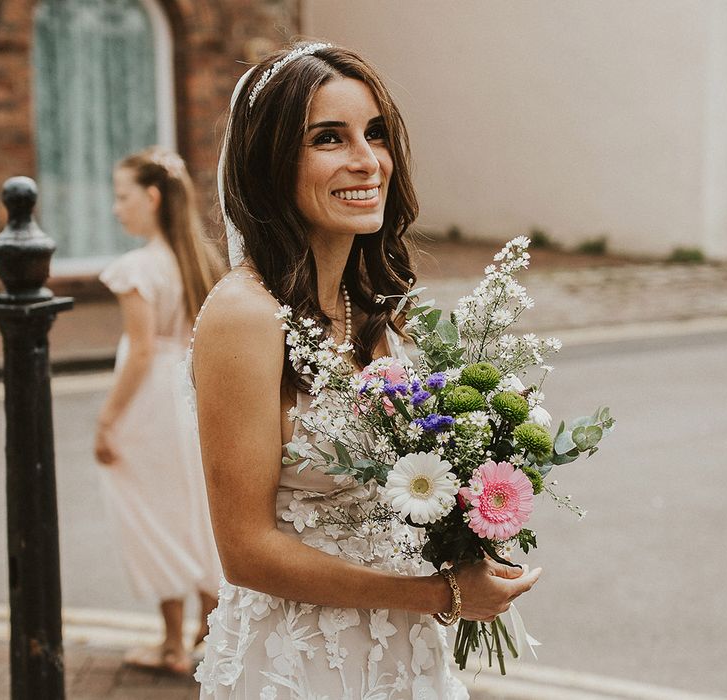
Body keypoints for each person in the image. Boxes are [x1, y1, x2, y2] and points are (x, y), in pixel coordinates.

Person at [191, 44, 542, 697]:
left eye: (374, 134)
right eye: (329, 138)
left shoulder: (372, 306)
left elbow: (404, 486)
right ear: (270, 162)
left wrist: (470, 520)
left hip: (404, 652)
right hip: (300, 663)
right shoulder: (244, 316)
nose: (366, 160)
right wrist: (437, 592)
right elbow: (245, 551)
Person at [94, 146, 224, 675]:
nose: (115, 207)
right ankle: (207, 624)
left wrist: (106, 421)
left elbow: (141, 351)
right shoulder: (198, 260)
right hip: (188, 399)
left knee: (150, 516)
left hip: (148, 407)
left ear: (151, 197)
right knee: (194, 512)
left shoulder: (138, 267)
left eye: (122, 196)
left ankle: (172, 645)